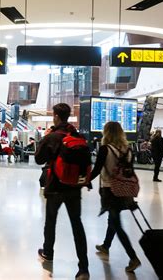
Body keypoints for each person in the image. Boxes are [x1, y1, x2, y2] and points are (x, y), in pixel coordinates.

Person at [35, 103, 89, 280]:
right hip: (74, 187)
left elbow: (38, 159)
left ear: (56, 116)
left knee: (50, 222)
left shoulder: (53, 136)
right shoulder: (76, 135)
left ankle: (48, 252)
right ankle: (83, 268)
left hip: (55, 186)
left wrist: (45, 140)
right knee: (77, 225)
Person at [90, 121, 141, 273]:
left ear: (106, 132)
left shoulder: (105, 149)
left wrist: (83, 181)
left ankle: (133, 257)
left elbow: (97, 170)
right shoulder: (128, 149)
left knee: (116, 223)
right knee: (113, 218)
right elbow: (129, 171)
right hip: (124, 190)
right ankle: (106, 246)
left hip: (110, 189)